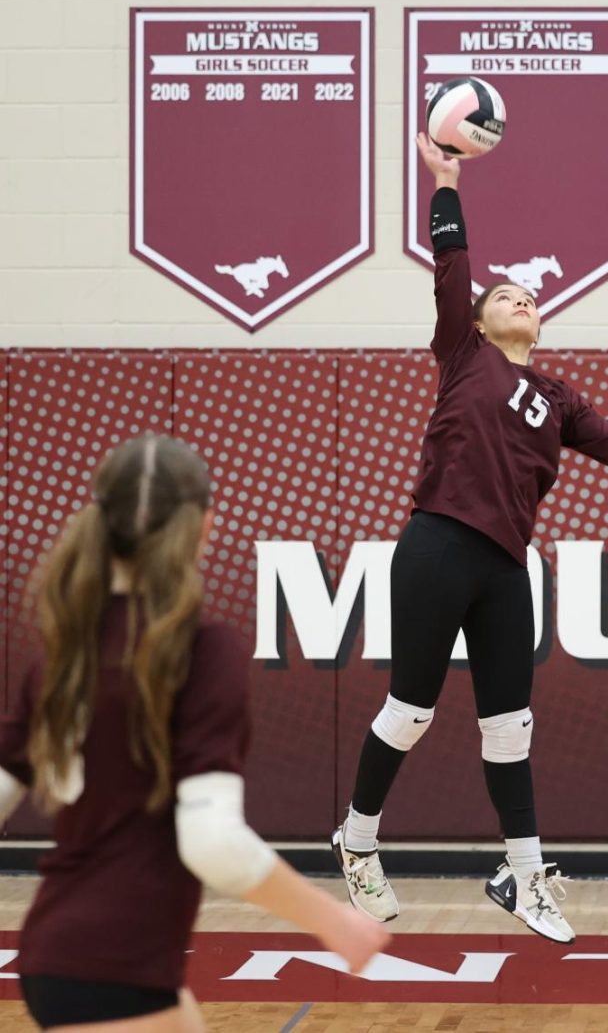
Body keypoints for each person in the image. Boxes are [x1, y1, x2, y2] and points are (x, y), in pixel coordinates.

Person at [332, 132, 608, 944]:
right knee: (412, 709)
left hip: (502, 567)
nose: (521, 298)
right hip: (436, 545)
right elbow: (452, 269)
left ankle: (525, 879)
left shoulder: (559, 395)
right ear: (483, 321)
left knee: (511, 725)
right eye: (507, 295)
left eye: (530, 295)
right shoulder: (462, 353)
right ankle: (357, 842)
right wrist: (446, 186)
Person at [0, 435, 389, 1032]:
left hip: (70, 953)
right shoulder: (202, 649)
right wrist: (334, 921)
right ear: (205, 526)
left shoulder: (63, 653)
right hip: (114, 968)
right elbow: (211, 842)